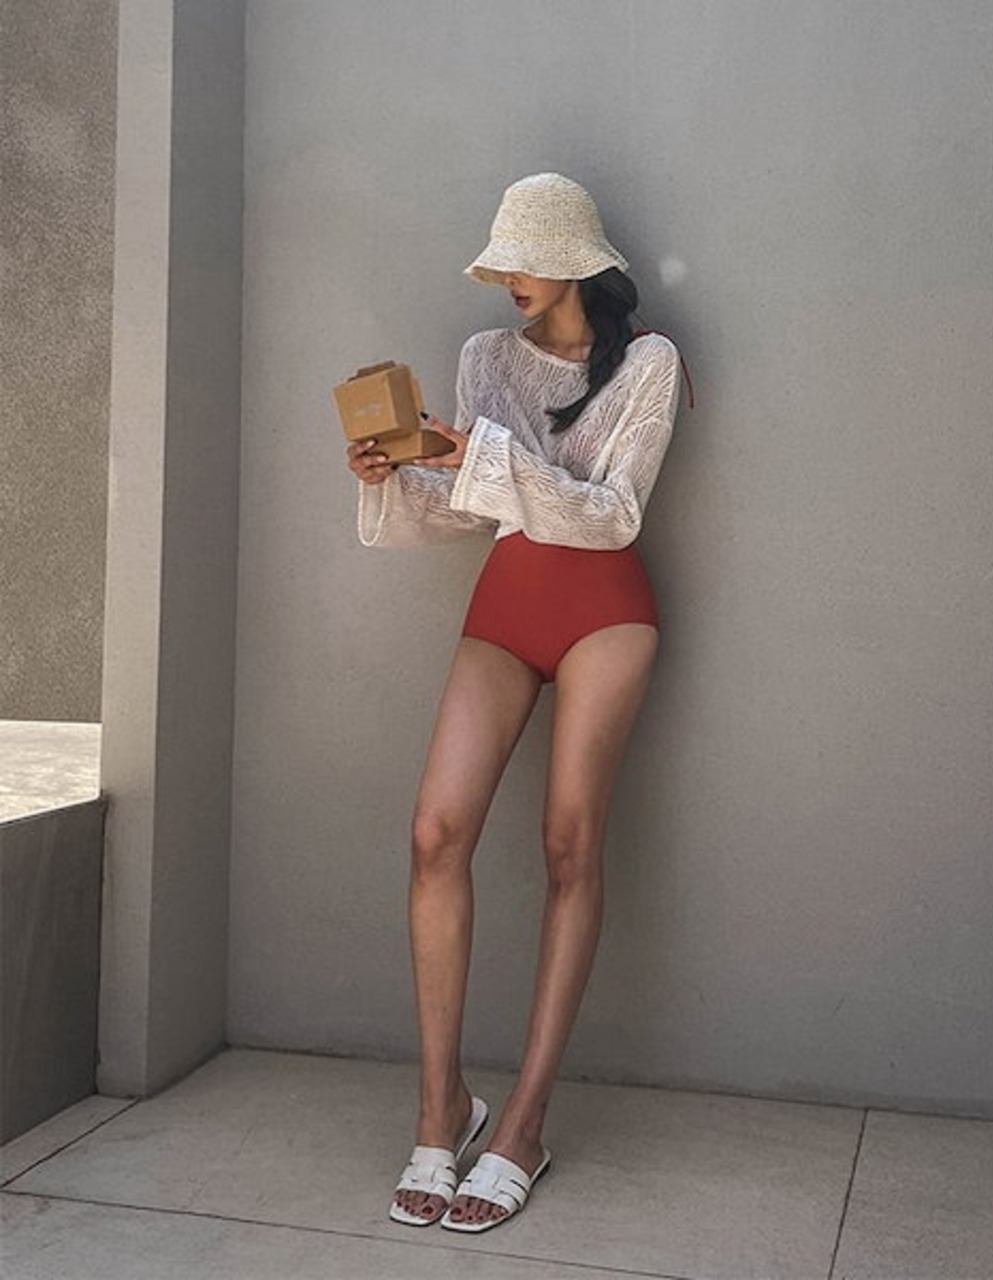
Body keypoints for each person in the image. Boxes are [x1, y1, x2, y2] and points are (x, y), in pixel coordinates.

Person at [346, 172, 682, 1233]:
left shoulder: (650, 362)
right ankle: (441, 1109)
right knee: (434, 833)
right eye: (500, 266)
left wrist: (479, 454)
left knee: (569, 845)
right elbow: (473, 507)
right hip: (509, 600)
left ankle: (525, 1123)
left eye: (523, 263)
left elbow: (612, 514)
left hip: (606, 609)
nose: (508, 282)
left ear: (574, 258)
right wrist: (396, 474)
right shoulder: (486, 358)